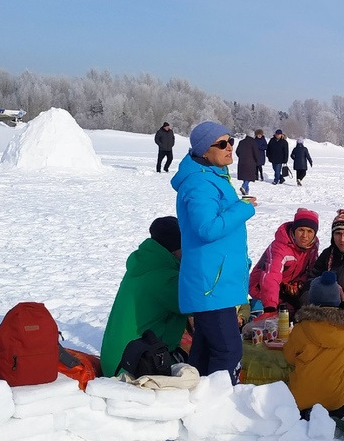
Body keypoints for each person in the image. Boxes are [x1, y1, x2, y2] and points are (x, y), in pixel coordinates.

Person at [172, 120, 256, 381]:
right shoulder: (199, 184)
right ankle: (219, 407)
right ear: (204, 151)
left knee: (206, 350)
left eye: (231, 141)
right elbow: (206, 228)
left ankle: (199, 406)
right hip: (210, 284)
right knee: (228, 350)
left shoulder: (214, 177)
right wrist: (243, 208)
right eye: (222, 144)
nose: (230, 147)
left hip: (218, 281)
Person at [100, 217, 186, 377]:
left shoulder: (144, 265)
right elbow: (202, 306)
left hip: (116, 360)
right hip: (136, 366)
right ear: (175, 249)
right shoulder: (164, 277)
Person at [282, 271, 344, 419]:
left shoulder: (302, 327)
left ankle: (308, 407)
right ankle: (336, 404)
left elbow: (289, 357)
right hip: (336, 399)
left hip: (301, 398)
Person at [249, 208, 319, 319]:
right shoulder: (280, 247)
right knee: (282, 315)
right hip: (262, 288)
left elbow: (312, 270)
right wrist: (270, 307)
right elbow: (271, 276)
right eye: (301, 230)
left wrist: (300, 283)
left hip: (287, 286)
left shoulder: (313, 246)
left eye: (310, 231)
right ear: (294, 230)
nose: (305, 235)